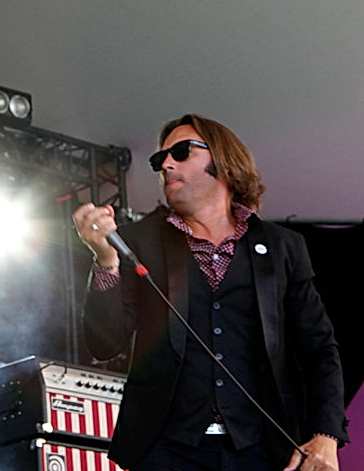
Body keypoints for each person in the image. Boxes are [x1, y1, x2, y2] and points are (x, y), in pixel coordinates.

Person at [73, 114, 348, 471]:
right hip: (165, 451)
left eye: (181, 152)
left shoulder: (282, 247)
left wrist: (326, 435)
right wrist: (106, 259)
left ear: (223, 159)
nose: (166, 164)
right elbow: (104, 343)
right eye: (160, 159)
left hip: (263, 448)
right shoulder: (139, 240)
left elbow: (319, 348)